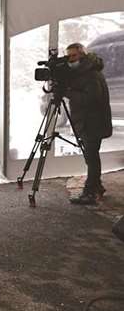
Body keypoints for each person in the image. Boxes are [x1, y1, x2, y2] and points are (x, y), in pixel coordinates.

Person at [64, 42, 112, 205]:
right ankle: (97, 187)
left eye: (74, 55)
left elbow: (91, 99)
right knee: (91, 157)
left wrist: (68, 93)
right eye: (68, 56)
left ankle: (90, 193)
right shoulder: (83, 72)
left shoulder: (91, 74)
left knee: (91, 158)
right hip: (88, 122)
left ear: (82, 55)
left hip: (93, 123)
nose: (71, 59)